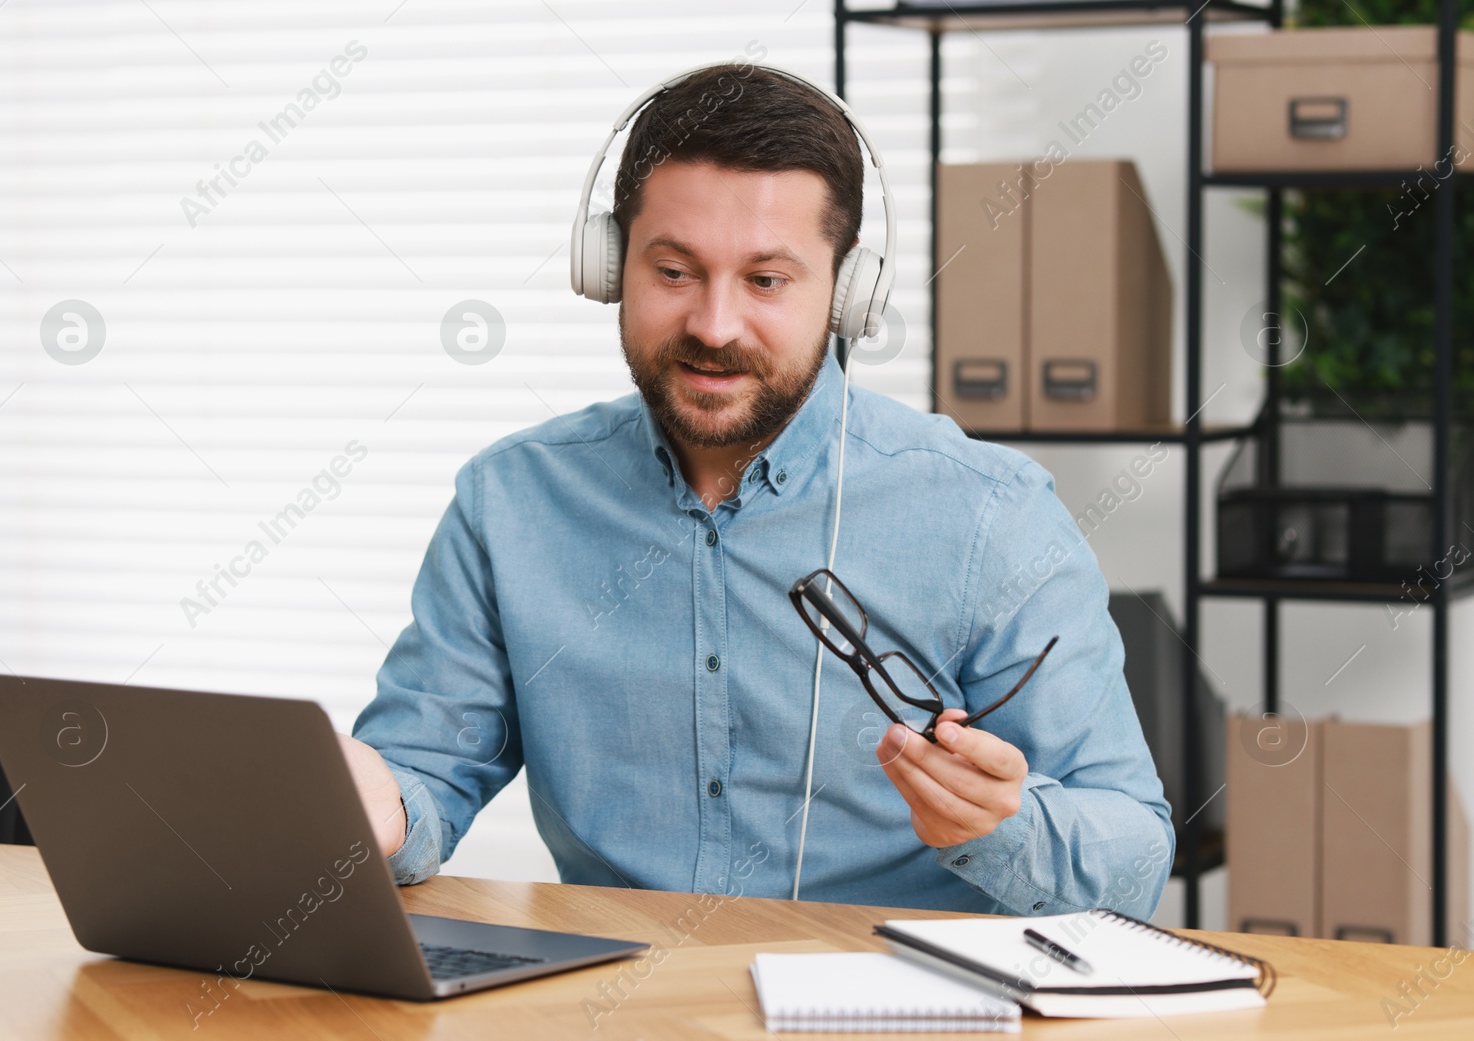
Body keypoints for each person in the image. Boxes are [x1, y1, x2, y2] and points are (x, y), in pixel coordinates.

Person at [338, 62, 1174, 917]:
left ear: (850, 293)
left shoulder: (992, 515)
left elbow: (1135, 851)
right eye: (674, 271)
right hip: (613, 1021)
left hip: (897, 1026)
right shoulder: (509, 502)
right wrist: (375, 803)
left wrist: (1007, 824)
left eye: (766, 280)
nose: (713, 325)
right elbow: (422, 773)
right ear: (607, 266)